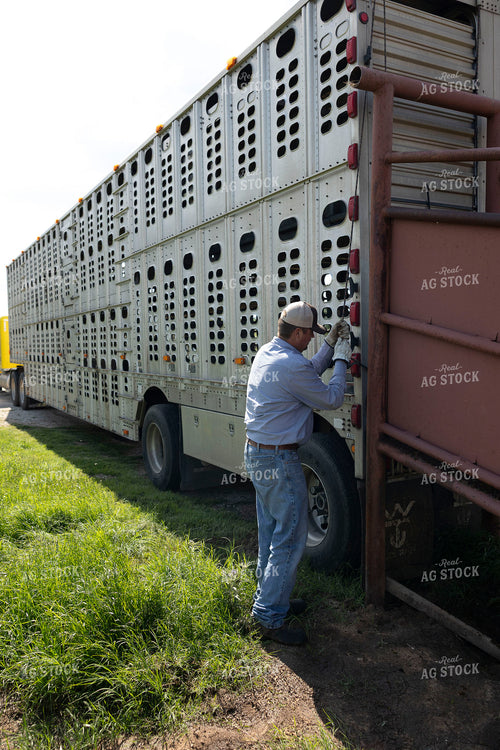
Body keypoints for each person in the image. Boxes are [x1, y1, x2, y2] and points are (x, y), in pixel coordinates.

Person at [244, 300, 351, 646]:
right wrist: (341, 359)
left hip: (258, 454)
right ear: (300, 332)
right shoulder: (291, 367)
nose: (312, 342)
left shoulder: (269, 353)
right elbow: (332, 397)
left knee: (271, 533)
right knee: (290, 538)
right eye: (312, 336)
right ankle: (268, 617)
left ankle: (271, 600)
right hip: (279, 460)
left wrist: (331, 344)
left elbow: (305, 372)